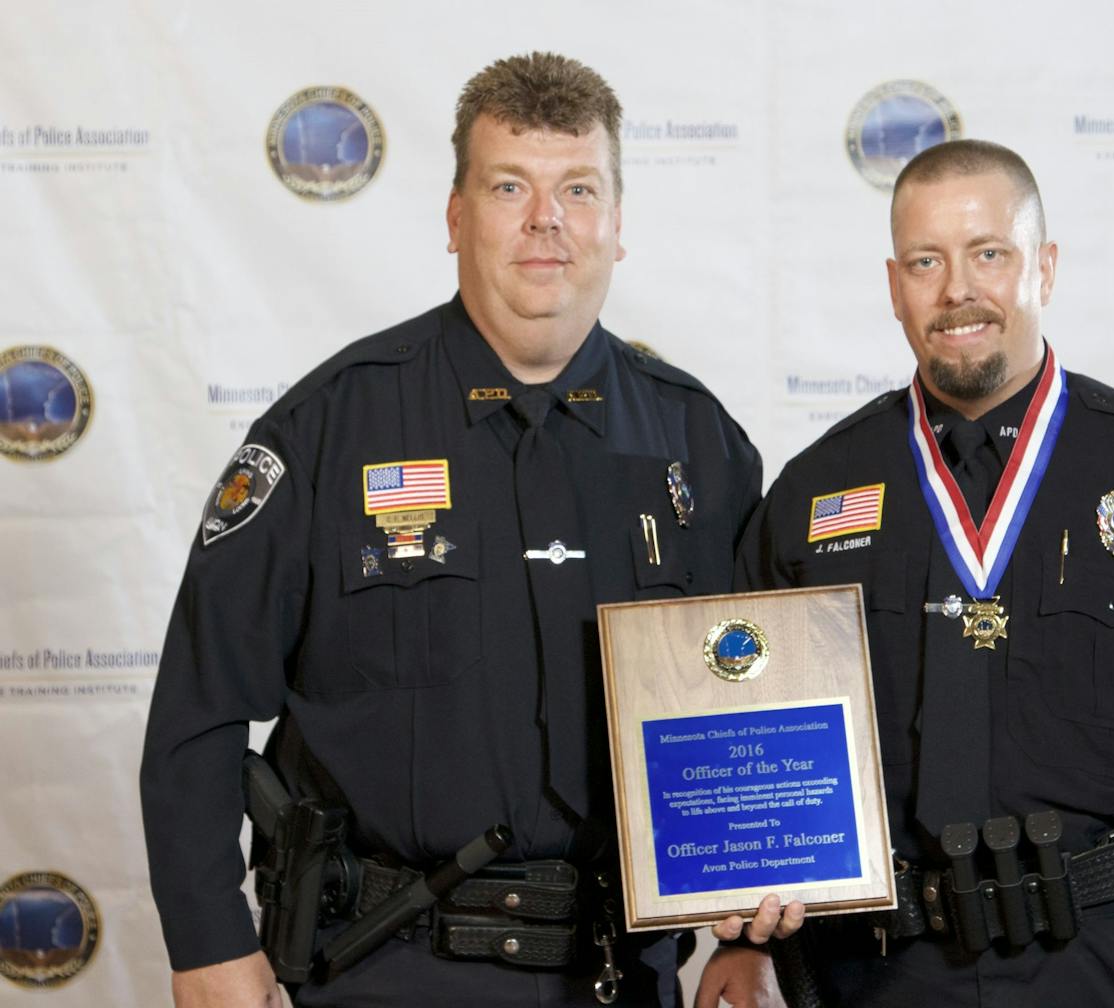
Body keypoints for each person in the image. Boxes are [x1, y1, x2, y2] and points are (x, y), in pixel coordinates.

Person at [140, 52, 800, 1008]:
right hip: (384, 969)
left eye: (580, 188)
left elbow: (760, 713)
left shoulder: (698, 446)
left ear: (618, 224)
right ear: (455, 218)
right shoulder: (328, 429)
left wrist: (760, 934)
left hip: (621, 975)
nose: (548, 220)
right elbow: (200, 705)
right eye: (508, 186)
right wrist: (207, 943)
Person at [715, 139, 1114, 1007]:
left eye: (988, 254)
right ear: (895, 286)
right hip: (882, 975)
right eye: (926, 261)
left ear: (1044, 266)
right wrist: (741, 937)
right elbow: (748, 746)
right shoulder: (816, 492)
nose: (957, 289)